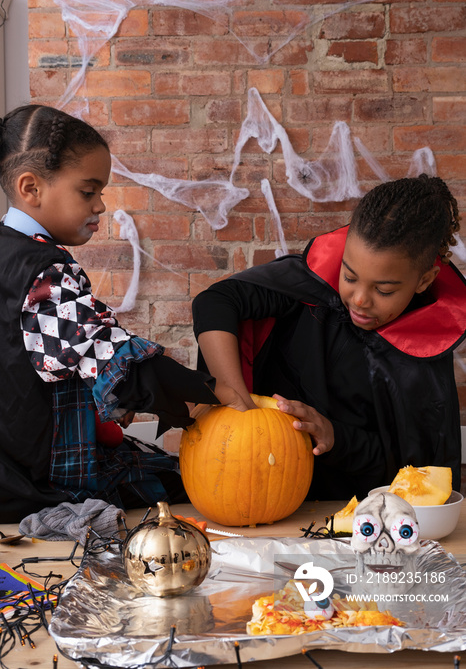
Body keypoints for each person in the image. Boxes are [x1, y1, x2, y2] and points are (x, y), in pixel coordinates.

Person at [0, 103, 244, 523]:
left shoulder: (10, 255)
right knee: (212, 482)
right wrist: (214, 391)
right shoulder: (42, 273)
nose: (100, 206)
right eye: (88, 190)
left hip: (15, 468)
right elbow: (114, 359)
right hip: (45, 486)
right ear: (31, 188)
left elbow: (47, 360)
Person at [192, 175, 466, 500]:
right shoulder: (308, 288)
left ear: (424, 280)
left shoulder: (425, 351)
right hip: (262, 484)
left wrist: (333, 435)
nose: (360, 299)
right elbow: (215, 302)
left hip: (352, 513)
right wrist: (236, 400)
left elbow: (411, 471)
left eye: (384, 289)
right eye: (349, 276)